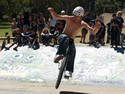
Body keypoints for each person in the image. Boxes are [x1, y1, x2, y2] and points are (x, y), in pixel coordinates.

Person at [48, 6, 101, 78]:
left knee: (73, 51)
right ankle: (58, 55)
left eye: (77, 17)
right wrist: (52, 11)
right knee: (65, 38)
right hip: (62, 37)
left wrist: (97, 27)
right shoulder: (68, 18)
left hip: (71, 40)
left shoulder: (83, 23)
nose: (75, 18)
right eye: (74, 15)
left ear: (81, 16)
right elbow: (56, 16)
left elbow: (93, 32)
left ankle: (68, 71)